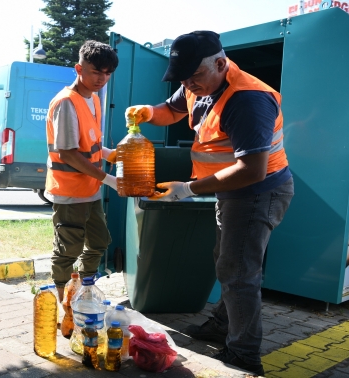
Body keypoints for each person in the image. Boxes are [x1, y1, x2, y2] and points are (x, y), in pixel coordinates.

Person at [126, 31, 294, 376]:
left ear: (220, 63)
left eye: (195, 76)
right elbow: (171, 110)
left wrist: (187, 189)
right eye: (183, 78)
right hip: (231, 191)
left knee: (238, 273)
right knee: (227, 262)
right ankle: (222, 324)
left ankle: (245, 354)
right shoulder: (197, 81)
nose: (189, 84)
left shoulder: (248, 100)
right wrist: (147, 112)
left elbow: (251, 169)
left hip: (258, 192)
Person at [45, 40, 119, 303]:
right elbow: (67, 153)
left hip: (90, 191)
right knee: (68, 250)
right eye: (96, 72)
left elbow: (91, 144)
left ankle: (84, 290)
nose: (102, 78)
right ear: (79, 68)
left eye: (107, 73)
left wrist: (112, 155)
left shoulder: (94, 99)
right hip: (69, 192)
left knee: (99, 243)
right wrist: (109, 180)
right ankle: (61, 299)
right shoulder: (66, 102)